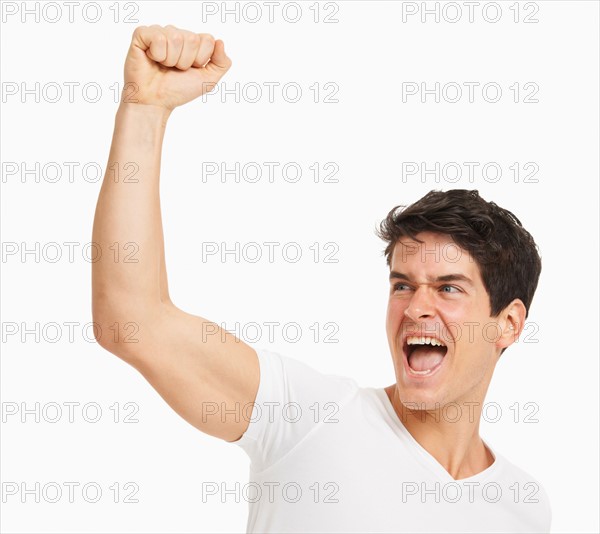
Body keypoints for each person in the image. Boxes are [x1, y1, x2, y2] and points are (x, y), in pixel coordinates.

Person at [91, 25, 551, 533]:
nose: (417, 306)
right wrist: (145, 110)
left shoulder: (523, 507)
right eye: (402, 285)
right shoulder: (310, 417)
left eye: (448, 287)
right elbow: (132, 321)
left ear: (507, 323)